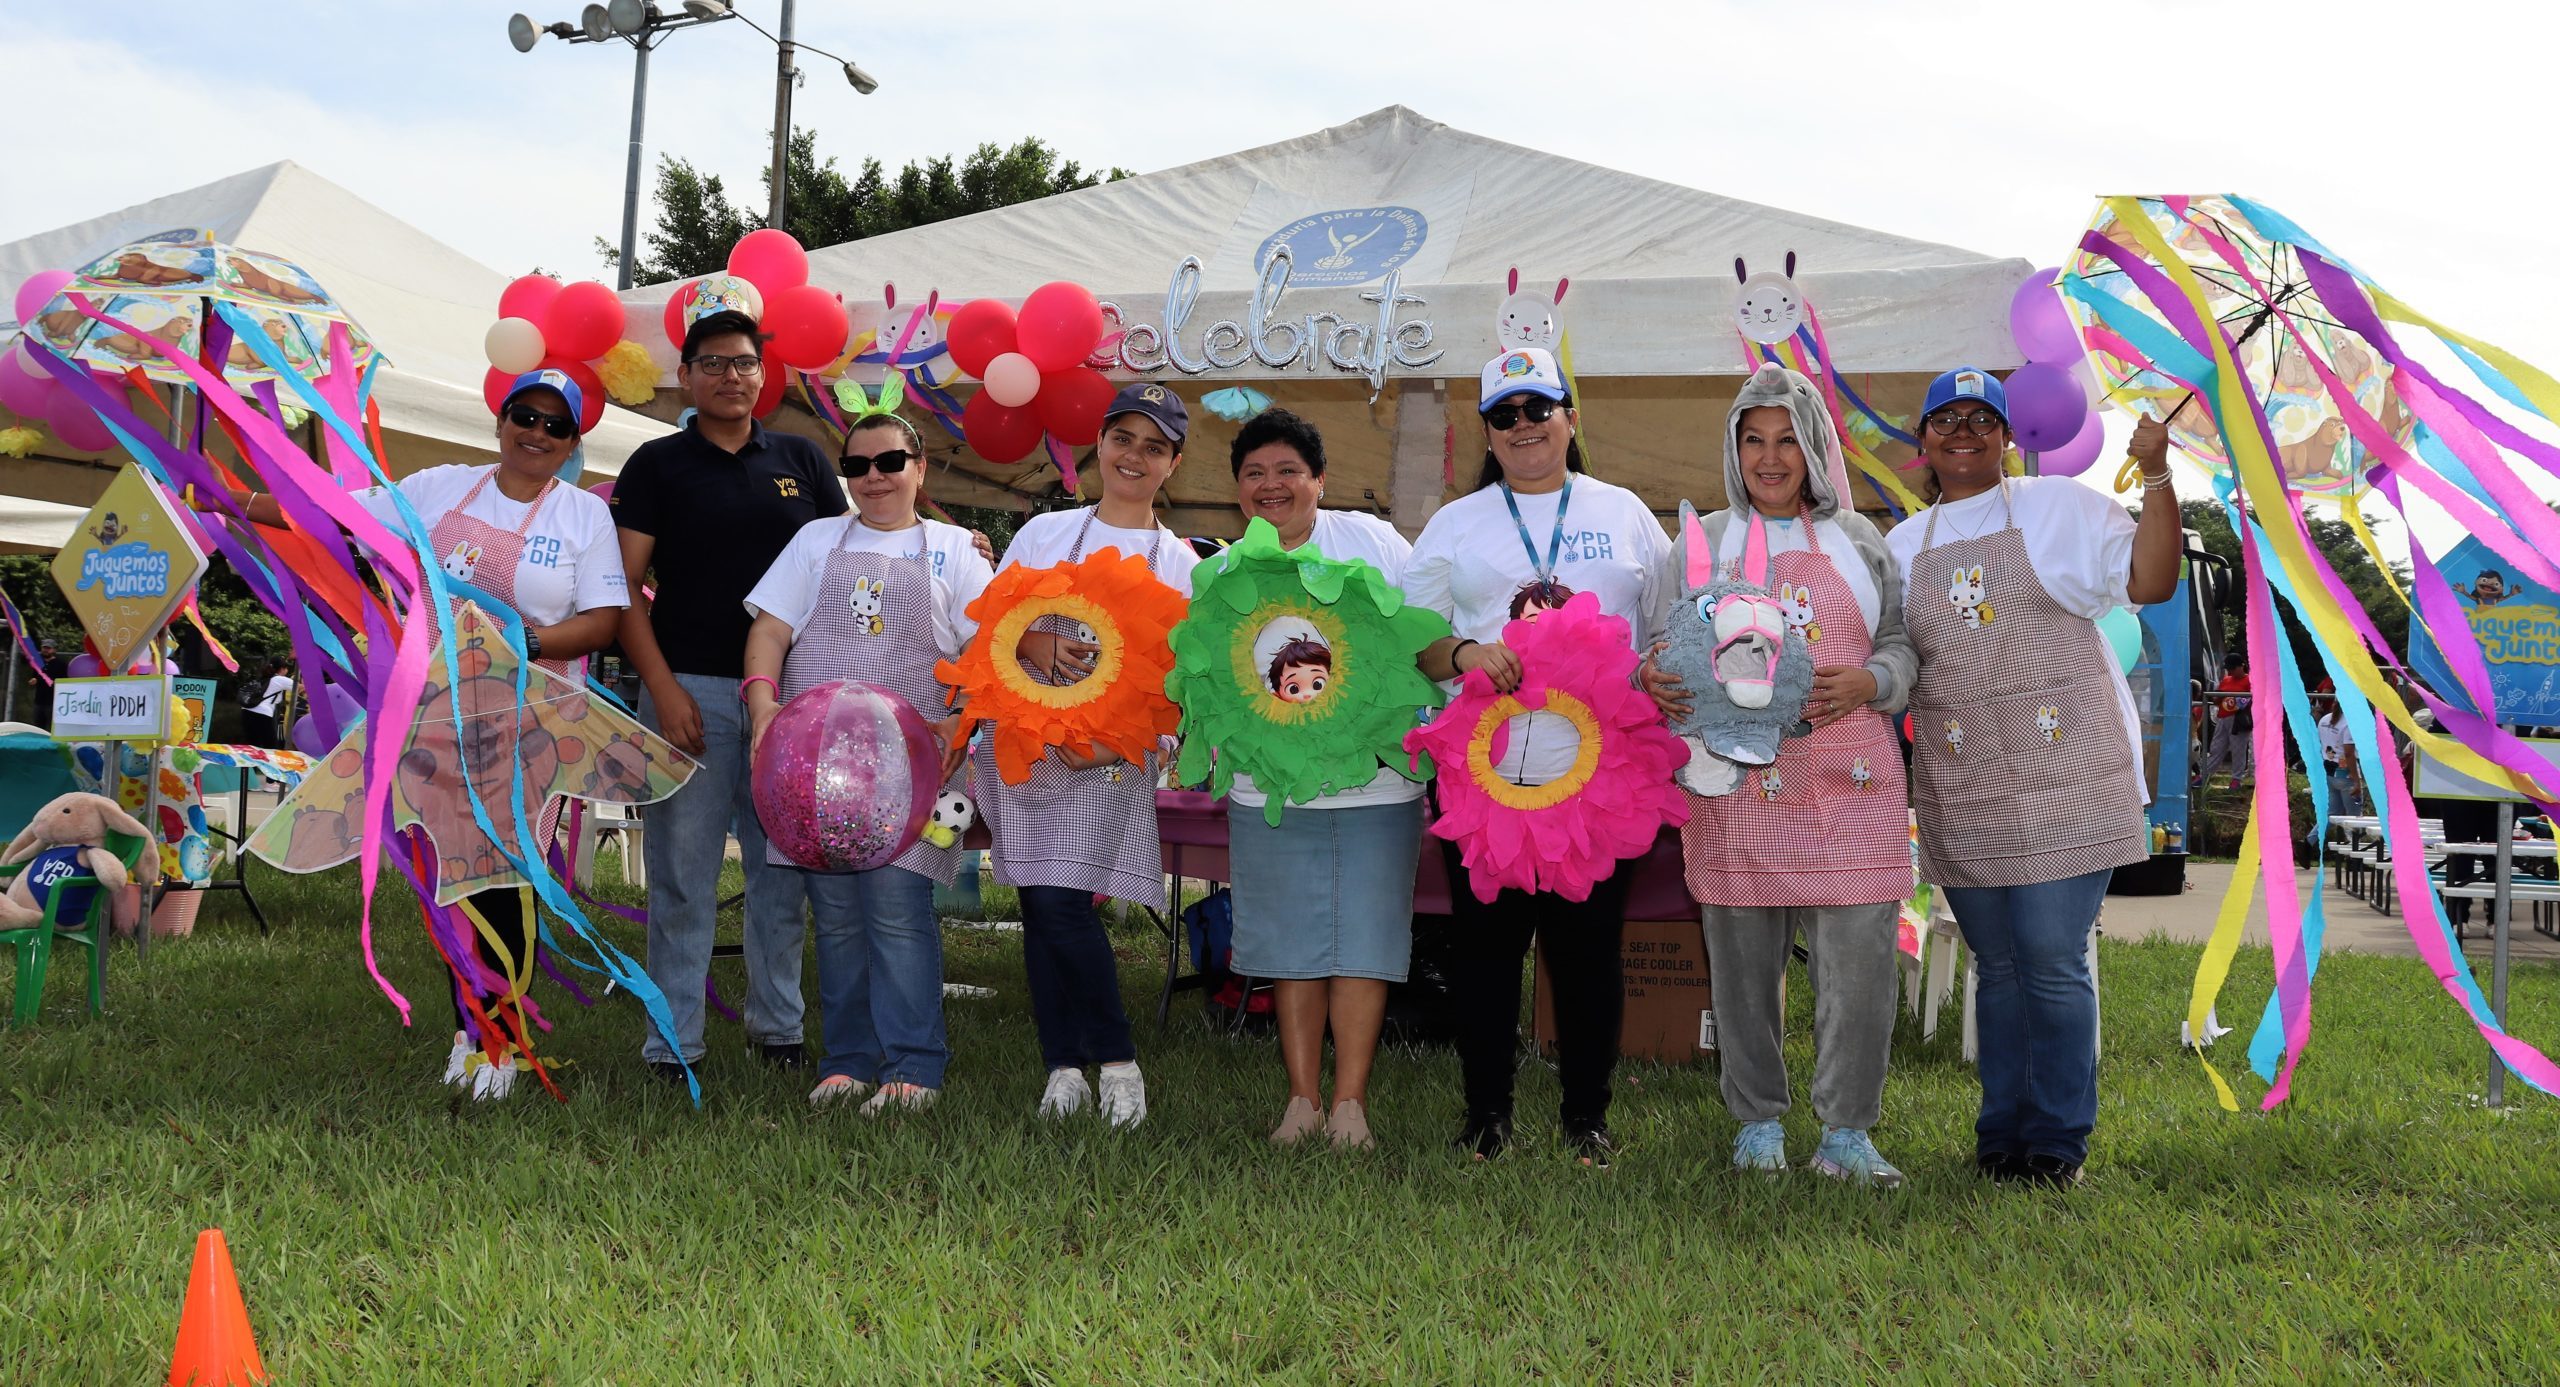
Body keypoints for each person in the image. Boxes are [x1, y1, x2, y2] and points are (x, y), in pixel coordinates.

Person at [232, 367, 629, 1098]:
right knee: (452, 874)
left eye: (555, 425)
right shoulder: (441, 487)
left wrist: (528, 644)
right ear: (502, 420)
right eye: (525, 416)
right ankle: (467, 1029)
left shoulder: (583, 517)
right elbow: (332, 512)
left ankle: (501, 1045)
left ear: (574, 439)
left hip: (529, 720)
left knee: (504, 874)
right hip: (437, 716)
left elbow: (605, 620)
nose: (536, 433)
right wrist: (234, 500)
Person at [1886, 368, 2182, 1189]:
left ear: (2009, 436)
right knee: (1998, 963)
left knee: (2051, 957)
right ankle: (2000, 1135)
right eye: (1945, 419)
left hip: (2069, 774)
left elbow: (2152, 582)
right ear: (1924, 444)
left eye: (1984, 417)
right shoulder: (1903, 547)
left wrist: (2156, 474)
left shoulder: (2065, 509)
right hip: (1967, 781)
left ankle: (2055, 1141)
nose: (1964, 431)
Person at [1401, 347, 1677, 1168]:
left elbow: (1663, 627)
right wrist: (1464, 655)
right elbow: (1415, 640)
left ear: (1570, 417)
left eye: (1538, 409)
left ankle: (1586, 1117)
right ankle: (1486, 1113)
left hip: (1599, 781)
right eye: (1505, 415)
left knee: (1589, 953)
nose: (1523, 426)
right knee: (1486, 953)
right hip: (1485, 777)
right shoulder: (1456, 523)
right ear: (1486, 432)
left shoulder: (1625, 511)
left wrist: (1658, 669)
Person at [1663, 364, 1916, 1186]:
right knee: (1741, 967)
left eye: (1786, 440)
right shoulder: (1702, 540)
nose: (1770, 458)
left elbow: (1905, 645)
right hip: (1739, 785)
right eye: (1752, 439)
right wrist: (1652, 678)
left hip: (1852, 776)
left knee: (1860, 967)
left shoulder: (1860, 543)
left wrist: (1871, 681)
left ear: (1814, 448)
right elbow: (1658, 645)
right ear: (1733, 448)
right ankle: (1759, 1123)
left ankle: (1847, 1131)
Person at [612, 309, 848, 1083]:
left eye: (743, 362)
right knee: (683, 874)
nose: (730, 376)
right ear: (685, 375)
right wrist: (661, 686)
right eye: (711, 363)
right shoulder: (656, 464)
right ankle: (671, 1044)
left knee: (783, 871)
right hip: (691, 692)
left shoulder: (804, 460)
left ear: (763, 375)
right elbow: (624, 591)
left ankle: (779, 1029)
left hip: (790, 701)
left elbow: (845, 563)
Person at [740, 409, 993, 1115]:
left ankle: (915, 1065)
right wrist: (763, 710)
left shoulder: (955, 551)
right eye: (856, 466)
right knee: (839, 916)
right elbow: (770, 629)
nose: (873, 477)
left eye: (889, 462)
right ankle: (846, 1060)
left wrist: (960, 720)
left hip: (922, 773)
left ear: (920, 468)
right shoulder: (816, 539)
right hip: (815, 777)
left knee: (898, 910)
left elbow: (989, 648)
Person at [980, 384, 1201, 1129]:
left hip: (1109, 757)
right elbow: (990, 629)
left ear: (1173, 463)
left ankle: (1116, 1063)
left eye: (1154, 445)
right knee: (1040, 903)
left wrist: (1117, 743)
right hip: (1029, 746)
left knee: (1062, 901)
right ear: (1099, 445)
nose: (1134, 455)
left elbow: (1183, 683)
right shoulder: (1046, 535)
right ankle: (1061, 1067)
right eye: (1123, 438)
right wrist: (1035, 642)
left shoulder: (1183, 564)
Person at [1214, 408, 1424, 1149]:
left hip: (1378, 787)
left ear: (1319, 479)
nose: (1271, 486)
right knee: (1291, 942)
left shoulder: (1371, 542)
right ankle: (1301, 1100)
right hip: (1269, 792)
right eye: (1254, 473)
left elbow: (1419, 639)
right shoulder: (1222, 573)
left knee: (1364, 939)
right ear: (1238, 487)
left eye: (1288, 471)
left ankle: (1350, 1105)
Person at [2195, 652, 2251, 788]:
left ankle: (2236, 779)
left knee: (2238, 749)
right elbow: (2218, 699)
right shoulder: (2226, 680)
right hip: (2223, 717)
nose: (2231, 671)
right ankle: (2205, 775)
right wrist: (2216, 698)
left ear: (2241, 666)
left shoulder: (2249, 681)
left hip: (2239, 720)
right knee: (2216, 748)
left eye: (2233, 668)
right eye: (2229, 669)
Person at [248, 659, 295, 749]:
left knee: (254, 746)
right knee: (270, 746)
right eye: (286, 668)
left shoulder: (265, 677)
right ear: (282, 669)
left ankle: (253, 762)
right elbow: (301, 687)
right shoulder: (280, 679)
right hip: (263, 714)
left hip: (247, 712)